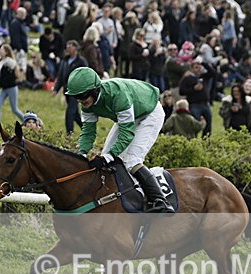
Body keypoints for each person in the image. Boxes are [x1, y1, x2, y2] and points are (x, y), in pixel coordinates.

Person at [64, 66, 174, 213]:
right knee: (107, 157)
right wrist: (81, 154)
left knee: (132, 160)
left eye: (83, 96)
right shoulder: (87, 106)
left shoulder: (117, 95)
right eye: (76, 97)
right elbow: (88, 132)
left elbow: (126, 134)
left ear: (95, 90)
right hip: (131, 114)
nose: (80, 101)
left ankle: (161, 201)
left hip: (150, 113)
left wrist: (108, 156)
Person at [52, 39, 88, 134]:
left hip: (76, 92)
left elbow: (86, 75)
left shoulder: (81, 61)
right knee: (75, 114)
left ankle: (69, 134)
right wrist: (56, 89)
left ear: (75, 48)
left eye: (70, 47)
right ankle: (87, 129)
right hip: (67, 91)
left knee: (69, 114)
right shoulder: (65, 60)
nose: (67, 49)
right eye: (67, 47)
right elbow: (60, 76)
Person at [0, 44, 24, 124]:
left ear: (6, 52)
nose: (0, 50)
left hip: (11, 88)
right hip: (3, 88)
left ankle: (26, 121)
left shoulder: (10, 63)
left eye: (2, 49)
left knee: (14, 109)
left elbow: (12, 77)